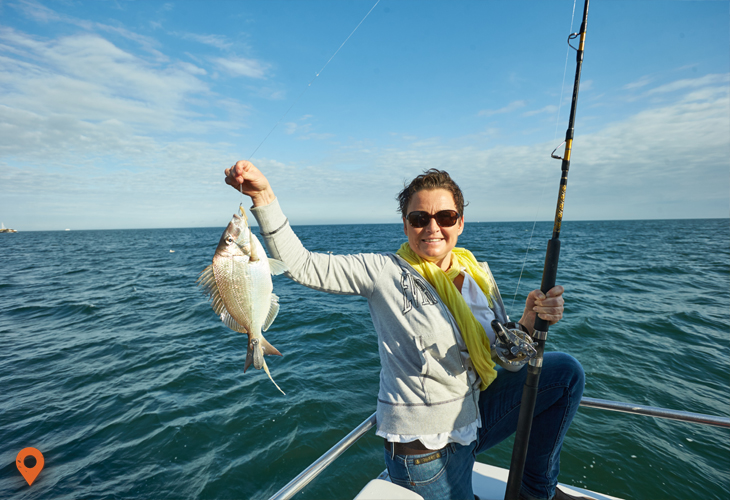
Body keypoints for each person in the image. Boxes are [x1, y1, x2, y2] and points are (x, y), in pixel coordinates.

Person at [224, 161, 589, 500]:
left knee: (564, 374)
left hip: (472, 418)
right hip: (427, 453)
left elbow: (501, 358)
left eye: (445, 216)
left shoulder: (477, 274)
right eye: (419, 218)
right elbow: (302, 265)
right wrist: (263, 196)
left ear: (460, 222)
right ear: (405, 224)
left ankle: (537, 490)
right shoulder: (384, 272)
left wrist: (525, 323)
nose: (433, 227)